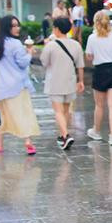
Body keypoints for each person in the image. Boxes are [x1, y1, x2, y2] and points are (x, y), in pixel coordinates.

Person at [0, 14, 40, 155]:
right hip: (16, 85)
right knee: (23, 113)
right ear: (7, 27)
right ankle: (28, 142)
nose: (17, 28)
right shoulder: (15, 44)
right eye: (14, 25)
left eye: (17, 25)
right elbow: (22, 63)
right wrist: (29, 52)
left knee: (0, 115)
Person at [85, 11, 112, 146]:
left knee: (99, 105)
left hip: (100, 71)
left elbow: (89, 57)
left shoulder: (92, 38)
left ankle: (96, 131)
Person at [41, 16, 85, 149]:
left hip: (54, 82)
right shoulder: (76, 45)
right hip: (70, 81)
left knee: (58, 111)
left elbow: (44, 62)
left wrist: (45, 44)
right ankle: (62, 135)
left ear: (57, 29)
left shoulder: (51, 45)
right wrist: (81, 81)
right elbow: (80, 65)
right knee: (66, 110)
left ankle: (65, 135)